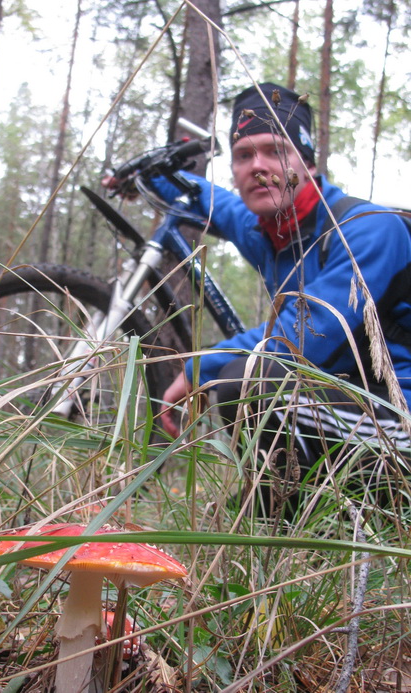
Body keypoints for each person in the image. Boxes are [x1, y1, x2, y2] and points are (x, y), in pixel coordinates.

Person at [113, 82, 411, 510]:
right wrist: (147, 176)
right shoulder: (266, 230)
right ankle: (293, 508)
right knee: (241, 502)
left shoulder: (368, 229)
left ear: (307, 163)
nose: (258, 166)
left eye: (276, 151)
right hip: (344, 409)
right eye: (243, 156)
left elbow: (306, 335)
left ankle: (353, 510)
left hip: (398, 418)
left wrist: (199, 367)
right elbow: (208, 200)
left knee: (243, 381)